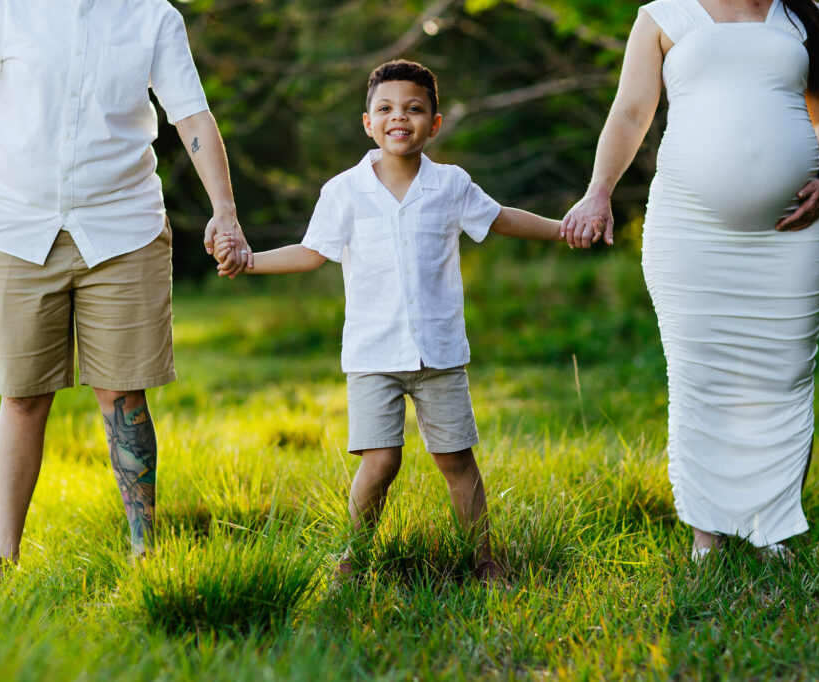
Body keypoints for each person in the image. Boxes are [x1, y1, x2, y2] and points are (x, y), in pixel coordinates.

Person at [0, 0, 251, 573]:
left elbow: (192, 118)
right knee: (23, 394)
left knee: (124, 393)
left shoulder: (154, 16)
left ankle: (144, 555)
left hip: (123, 227)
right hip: (16, 226)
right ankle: (4, 558)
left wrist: (224, 210)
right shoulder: (3, 9)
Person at [214, 59, 581, 582]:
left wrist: (563, 230)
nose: (398, 118)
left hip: (439, 351)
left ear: (435, 122)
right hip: (372, 353)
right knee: (380, 462)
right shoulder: (344, 190)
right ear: (368, 123)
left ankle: (486, 559)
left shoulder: (451, 184)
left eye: (413, 109)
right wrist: (249, 260)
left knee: (456, 461)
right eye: (385, 109)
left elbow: (501, 218)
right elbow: (311, 251)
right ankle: (352, 557)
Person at [561, 0, 819, 560]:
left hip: (791, 233)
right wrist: (599, 190)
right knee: (701, 379)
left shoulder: (804, 12)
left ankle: (773, 529)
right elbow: (630, 111)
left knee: (784, 377)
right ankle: (708, 534)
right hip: (689, 230)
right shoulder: (663, 14)